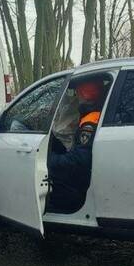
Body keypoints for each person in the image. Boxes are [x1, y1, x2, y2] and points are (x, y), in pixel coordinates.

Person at [46, 79, 106, 213]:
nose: (75, 96)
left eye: (77, 92)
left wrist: (48, 160)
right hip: (87, 173)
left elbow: (78, 161)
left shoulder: (90, 122)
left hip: (79, 185)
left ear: (84, 95)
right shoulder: (93, 113)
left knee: (50, 175)